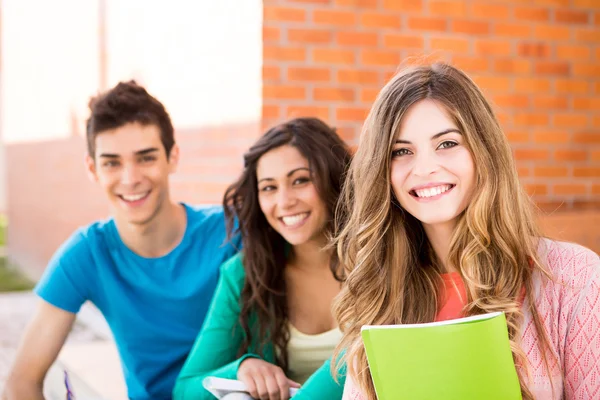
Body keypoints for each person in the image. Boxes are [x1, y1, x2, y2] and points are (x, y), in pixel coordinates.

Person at [331, 63, 600, 400]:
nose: (425, 167)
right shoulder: (383, 294)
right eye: (402, 151)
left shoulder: (573, 278)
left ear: (483, 151)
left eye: (446, 144)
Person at [3, 81, 239, 400]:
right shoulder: (89, 252)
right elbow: (21, 382)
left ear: (173, 157)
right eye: (112, 162)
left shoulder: (230, 233)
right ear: (93, 168)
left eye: (146, 158)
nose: (130, 178)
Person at [173, 118, 351, 400]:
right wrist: (241, 369)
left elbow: (357, 363)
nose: (284, 201)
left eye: (301, 180)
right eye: (269, 187)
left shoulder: (380, 262)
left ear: (333, 178)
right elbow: (186, 391)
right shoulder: (244, 274)